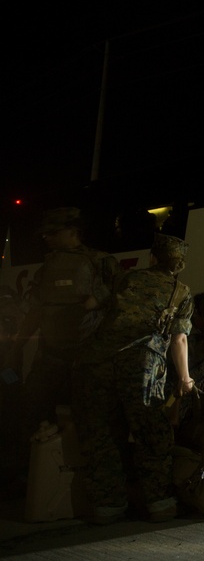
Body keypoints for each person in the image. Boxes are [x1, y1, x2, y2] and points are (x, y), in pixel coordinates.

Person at [75, 233, 195, 524]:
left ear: (153, 257)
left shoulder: (125, 279)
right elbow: (179, 339)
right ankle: (160, 505)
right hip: (141, 366)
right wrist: (185, 378)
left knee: (103, 434)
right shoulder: (180, 291)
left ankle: (108, 507)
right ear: (179, 264)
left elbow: (90, 304)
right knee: (151, 434)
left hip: (98, 362)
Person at [10, 208, 120, 489]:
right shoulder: (48, 265)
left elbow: (121, 305)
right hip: (50, 356)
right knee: (33, 412)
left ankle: (90, 482)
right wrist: (18, 343)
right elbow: (36, 309)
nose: (46, 238)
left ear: (72, 231)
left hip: (86, 358)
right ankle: (30, 477)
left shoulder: (101, 262)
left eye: (53, 232)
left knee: (89, 419)